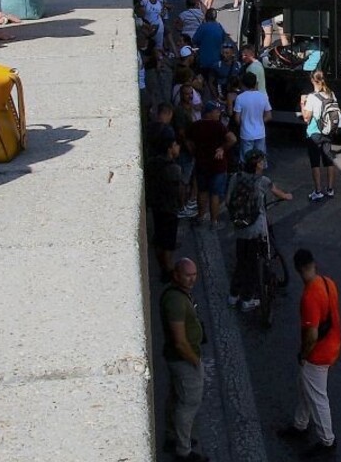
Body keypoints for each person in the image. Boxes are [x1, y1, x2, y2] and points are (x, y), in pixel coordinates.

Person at [280, 248, 341, 456]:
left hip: (318, 354)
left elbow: (312, 335)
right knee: (305, 386)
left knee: (317, 396)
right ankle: (300, 424)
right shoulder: (328, 282)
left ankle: (327, 440)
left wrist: (303, 354)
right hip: (333, 343)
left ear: (297, 269)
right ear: (313, 264)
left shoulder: (309, 297)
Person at [226, 149, 292, 311]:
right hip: (257, 229)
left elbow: (228, 201)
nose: (263, 164)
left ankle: (233, 296)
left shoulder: (236, 177)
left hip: (239, 227)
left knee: (241, 261)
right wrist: (287, 196)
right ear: (257, 165)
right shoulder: (262, 181)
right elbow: (279, 194)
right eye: (261, 162)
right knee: (255, 263)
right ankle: (247, 299)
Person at [161, 258, 208, 462]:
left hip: (180, 358)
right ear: (176, 275)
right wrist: (195, 362)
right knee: (188, 403)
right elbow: (180, 342)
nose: (192, 279)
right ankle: (183, 450)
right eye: (187, 275)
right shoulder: (176, 301)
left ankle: (175, 437)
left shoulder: (178, 295)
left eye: (194, 274)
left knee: (177, 399)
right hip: (184, 361)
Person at [190, 100, 236, 227]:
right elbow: (232, 139)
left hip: (201, 164)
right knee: (215, 194)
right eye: (216, 112)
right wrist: (222, 148)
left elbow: (188, 141)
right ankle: (214, 221)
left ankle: (200, 217)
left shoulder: (196, 125)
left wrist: (194, 152)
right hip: (217, 165)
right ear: (209, 113)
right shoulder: (218, 126)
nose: (218, 114)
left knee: (202, 191)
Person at [145, 133, 184, 282]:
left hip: (157, 206)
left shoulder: (153, 162)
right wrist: (182, 203)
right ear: (169, 149)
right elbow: (178, 190)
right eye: (175, 145)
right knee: (168, 242)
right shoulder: (174, 168)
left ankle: (163, 266)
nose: (178, 147)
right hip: (169, 208)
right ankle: (168, 271)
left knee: (160, 238)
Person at [300, 70, 337, 202]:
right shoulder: (331, 94)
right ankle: (330, 189)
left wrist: (302, 103)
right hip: (327, 131)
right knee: (328, 160)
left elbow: (306, 118)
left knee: (315, 163)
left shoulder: (311, 97)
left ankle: (318, 191)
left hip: (314, 133)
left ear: (312, 81)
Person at [234, 71, 272, 159]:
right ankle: (259, 172)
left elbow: (237, 119)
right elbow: (269, 116)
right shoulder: (263, 97)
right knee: (260, 159)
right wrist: (260, 122)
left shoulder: (240, 98)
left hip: (246, 134)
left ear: (242, 84)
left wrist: (244, 124)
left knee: (247, 159)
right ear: (256, 83)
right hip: (260, 133)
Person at [192, 8, 226, 84]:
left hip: (204, 61)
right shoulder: (219, 27)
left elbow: (194, 40)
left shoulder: (203, 27)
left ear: (206, 17)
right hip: (216, 61)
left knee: (201, 81)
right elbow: (223, 40)